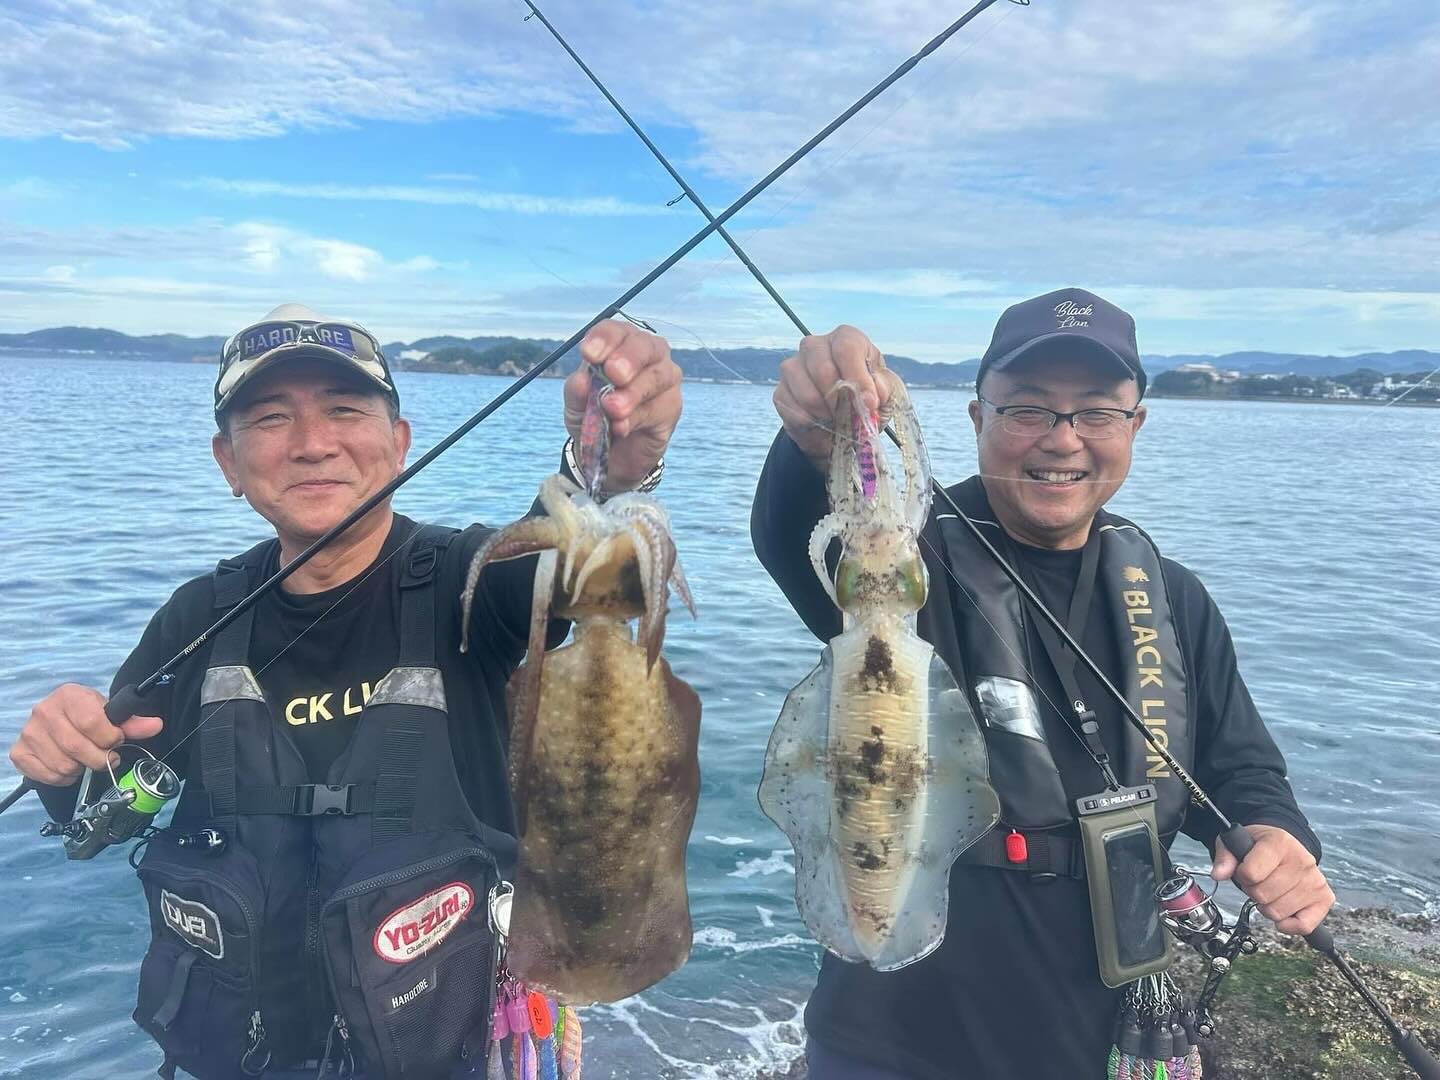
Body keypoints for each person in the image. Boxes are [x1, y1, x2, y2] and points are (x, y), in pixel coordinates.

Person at [8, 303, 683, 1078]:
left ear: (399, 443)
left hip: (457, 1050)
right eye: (270, 418)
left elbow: (573, 563)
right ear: (229, 463)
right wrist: (64, 763)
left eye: (345, 409)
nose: (312, 442)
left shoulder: (471, 580)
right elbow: (111, 807)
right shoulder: (196, 620)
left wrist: (614, 470)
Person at [751, 288, 1335, 1078]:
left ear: (1135, 426)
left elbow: (1240, 768)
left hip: (1096, 1032)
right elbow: (791, 532)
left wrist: (1276, 835)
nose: (1062, 438)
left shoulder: (1173, 597)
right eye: (1027, 408)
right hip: (895, 1038)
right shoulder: (903, 560)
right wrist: (815, 433)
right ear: (977, 417)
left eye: (1096, 412)